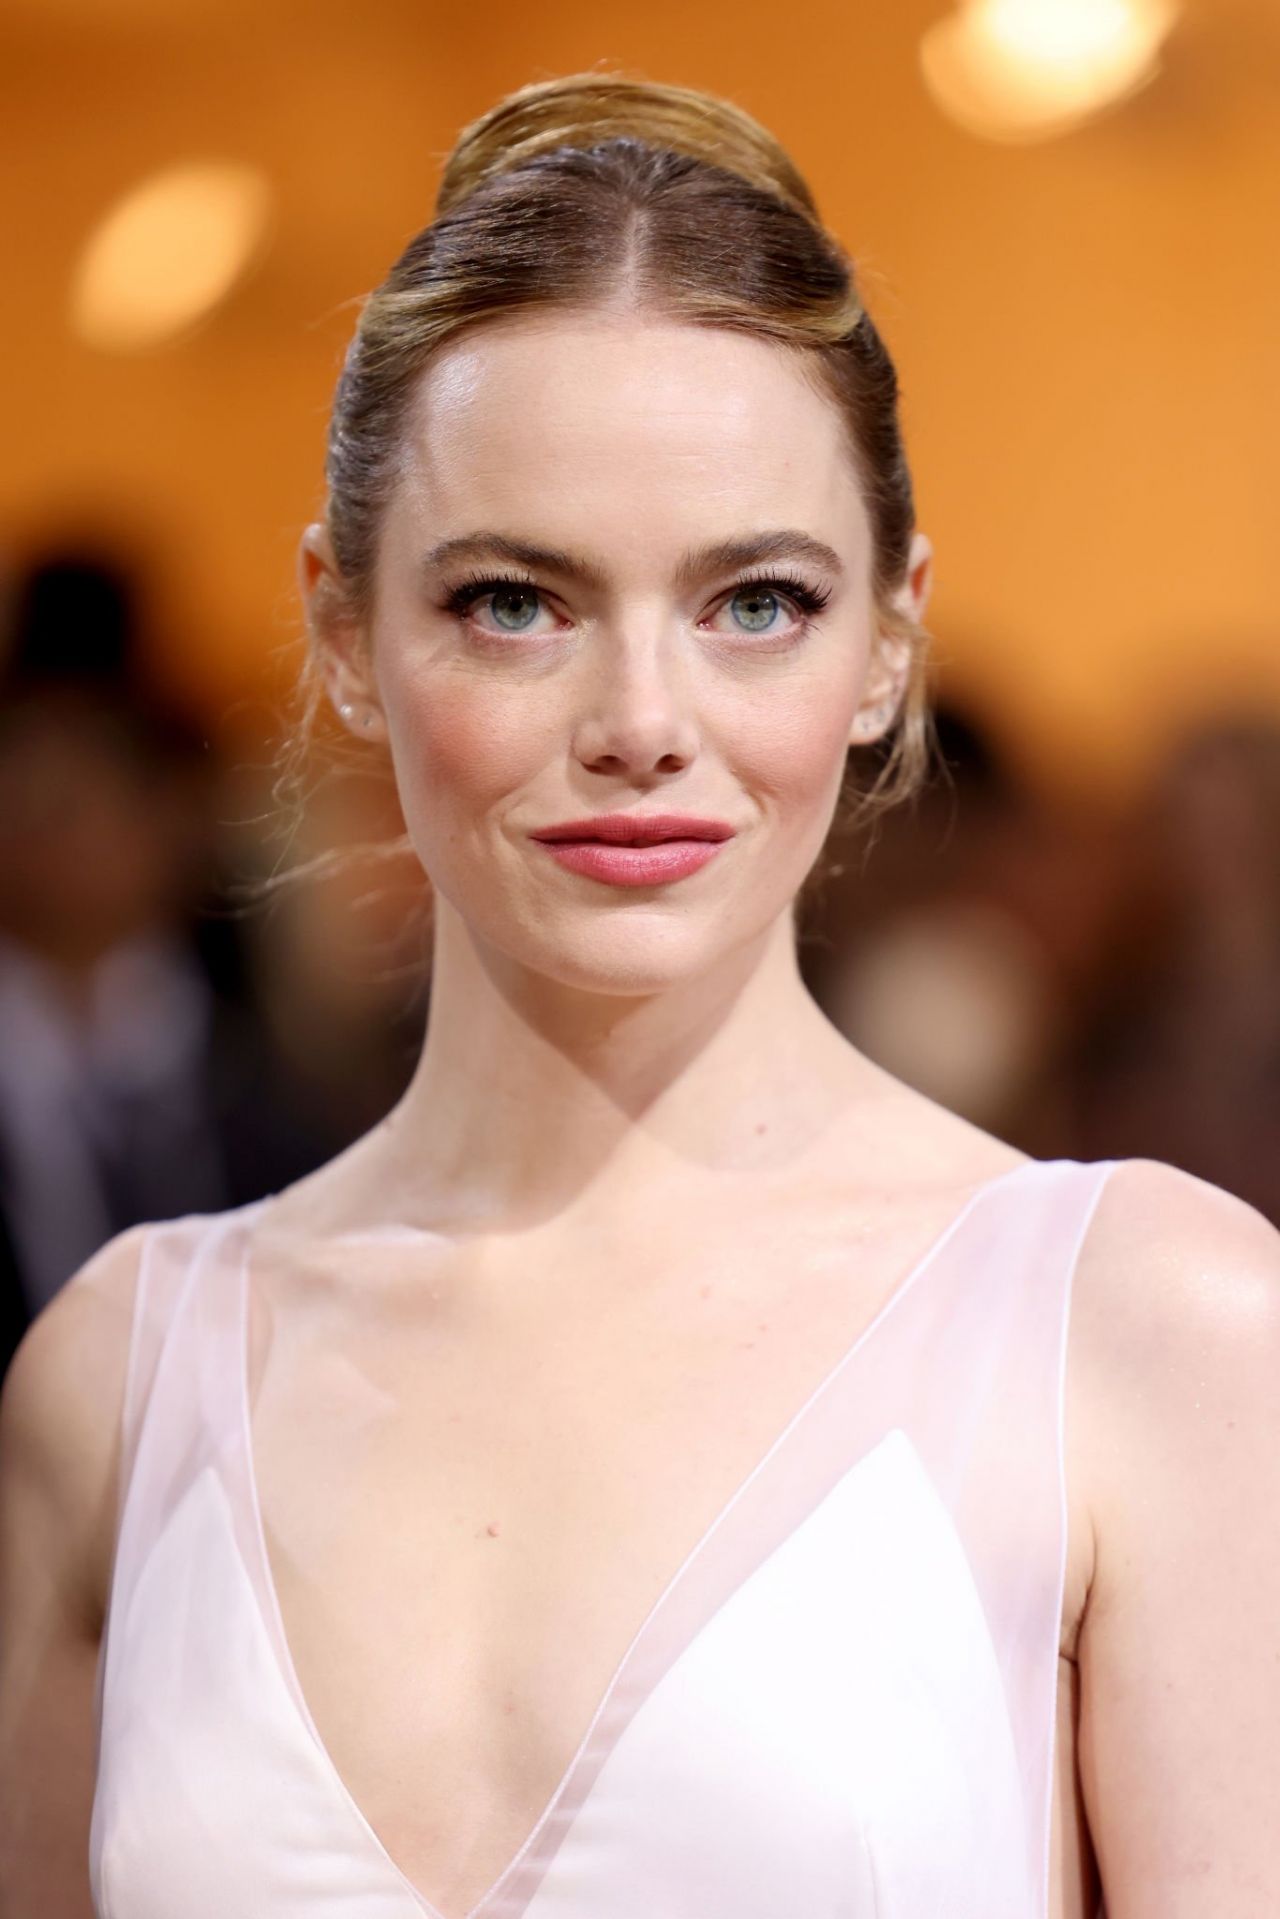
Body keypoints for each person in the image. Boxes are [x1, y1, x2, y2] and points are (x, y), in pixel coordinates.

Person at [1, 72, 1277, 1919]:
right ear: (345, 632)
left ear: (888, 642)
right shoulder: (116, 1381)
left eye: (755, 602)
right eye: (515, 602)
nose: (641, 725)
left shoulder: (1150, 1334)